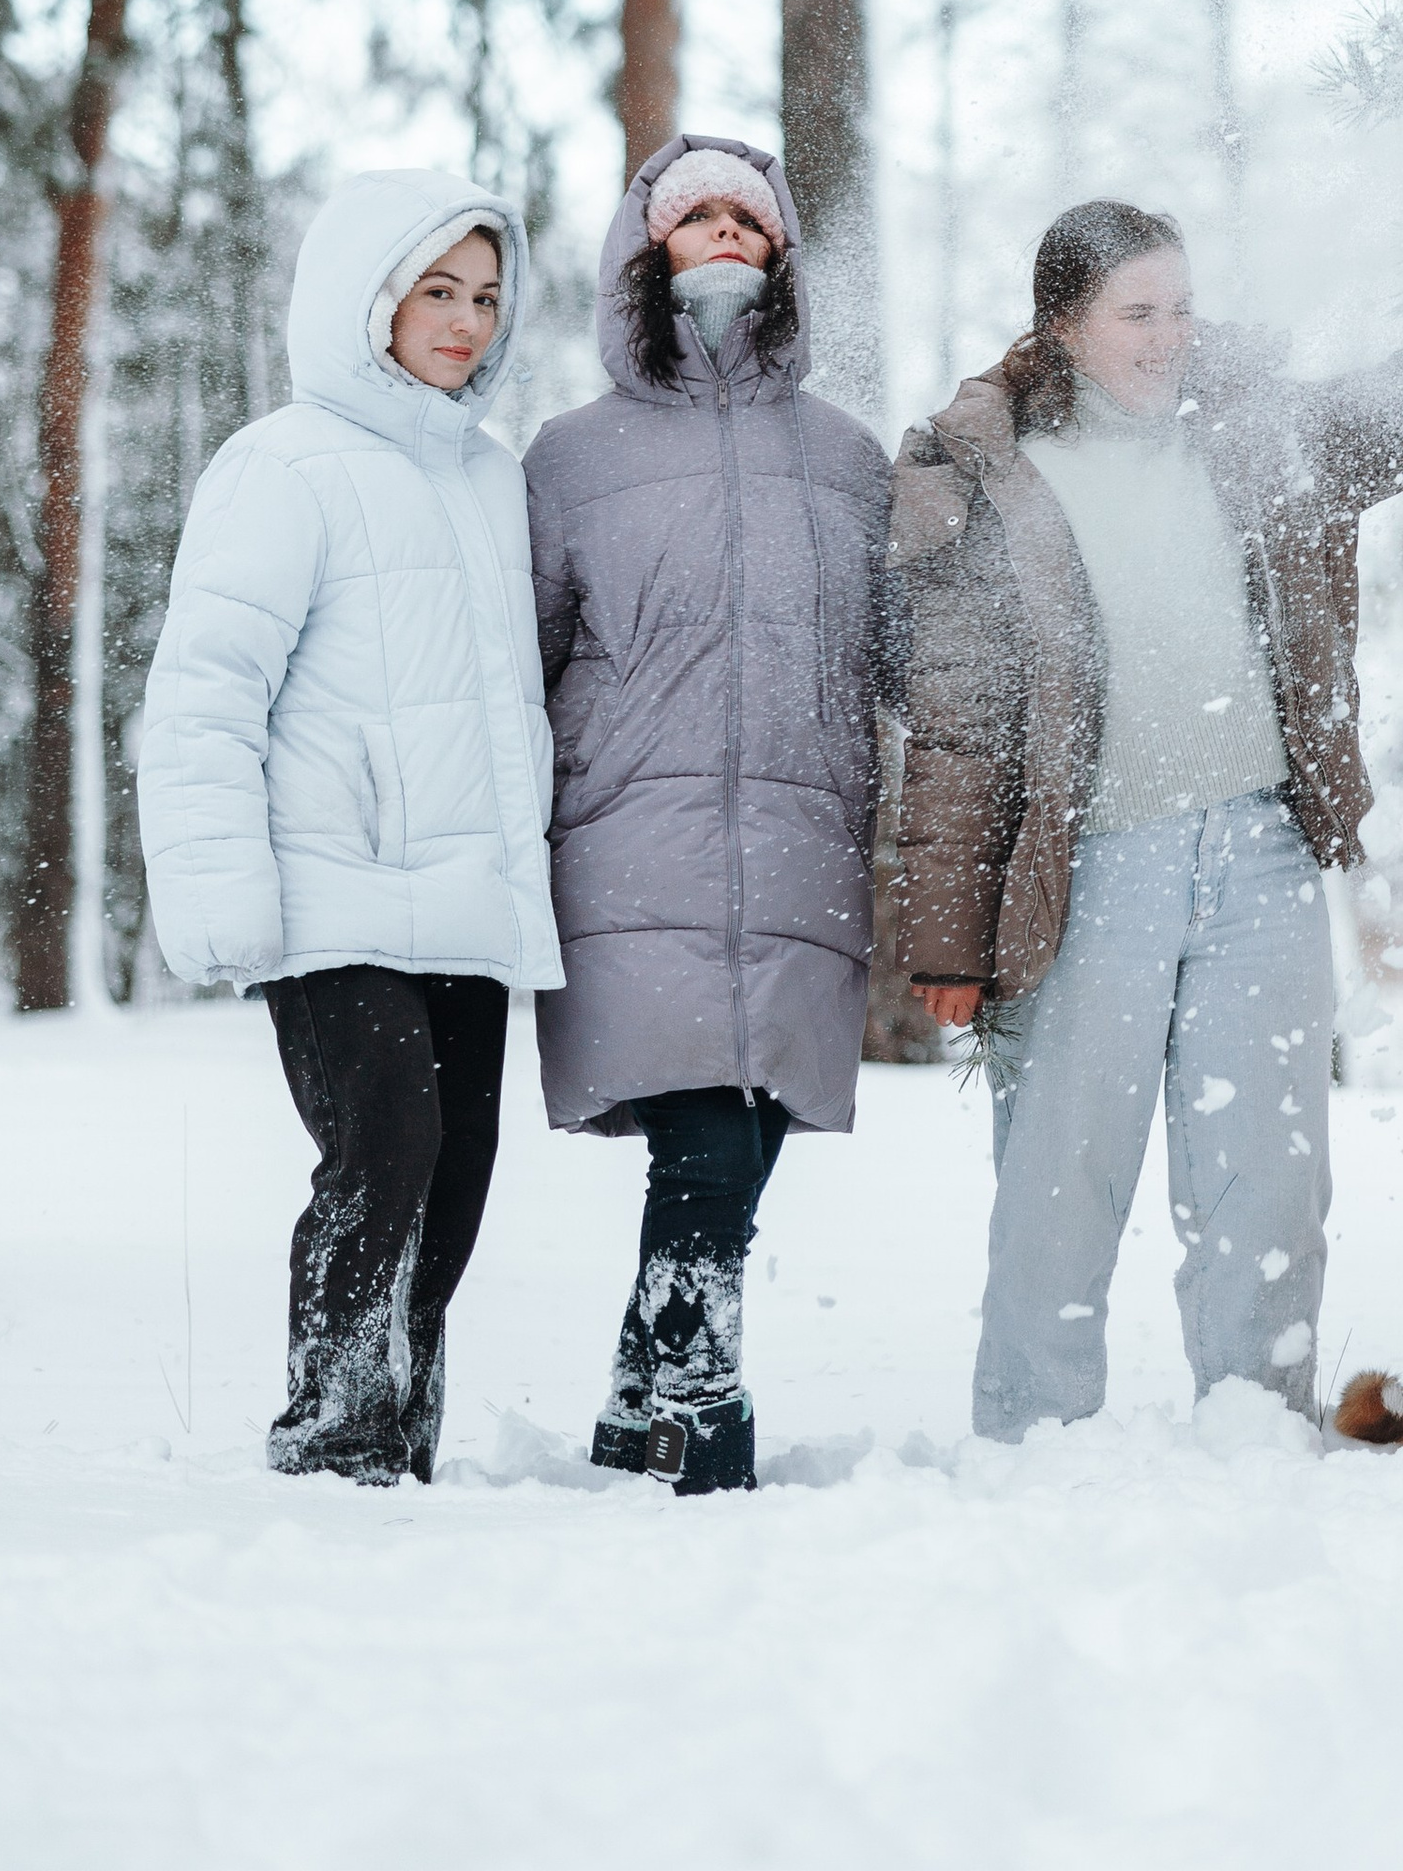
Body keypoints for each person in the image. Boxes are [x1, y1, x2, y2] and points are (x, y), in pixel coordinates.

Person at [893, 196, 1403, 1442]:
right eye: (1137, 313)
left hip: (1259, 852)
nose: (1168, 336)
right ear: (1065, 324)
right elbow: (957, 720)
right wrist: (950, 938)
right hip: (1087, 868)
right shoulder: (989, 474)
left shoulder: (1257, 430)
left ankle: (1257, 1426)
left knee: (1270, 1181)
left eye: (1181, 306)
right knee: (1060, 1180)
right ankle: (1031, 1437)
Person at [138, 170, 562, 1485]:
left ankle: (403, 1437)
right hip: (333, 888)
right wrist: (219, 888)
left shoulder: (491, 481)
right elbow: (206, 691)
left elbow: (503, 708)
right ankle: (333, 1431)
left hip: (467, 903)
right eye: (436, 289)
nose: (465, 320)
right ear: (364, 296)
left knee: (459, 1178)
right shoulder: (280, 463)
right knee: (387, 1149)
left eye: (487, 295)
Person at [525, 133, 892, 1495]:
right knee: (705, 1136)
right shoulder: (569, 461)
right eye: (697, 218)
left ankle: (636, 1410)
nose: (726, 233)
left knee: (754, 1129)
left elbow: (897, 653)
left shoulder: (848, 460)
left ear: (783, 252)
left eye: (751, 216)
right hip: (629, 840)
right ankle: (702, 1415)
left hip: (802, 847)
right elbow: (526, 659)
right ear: (646, 252)